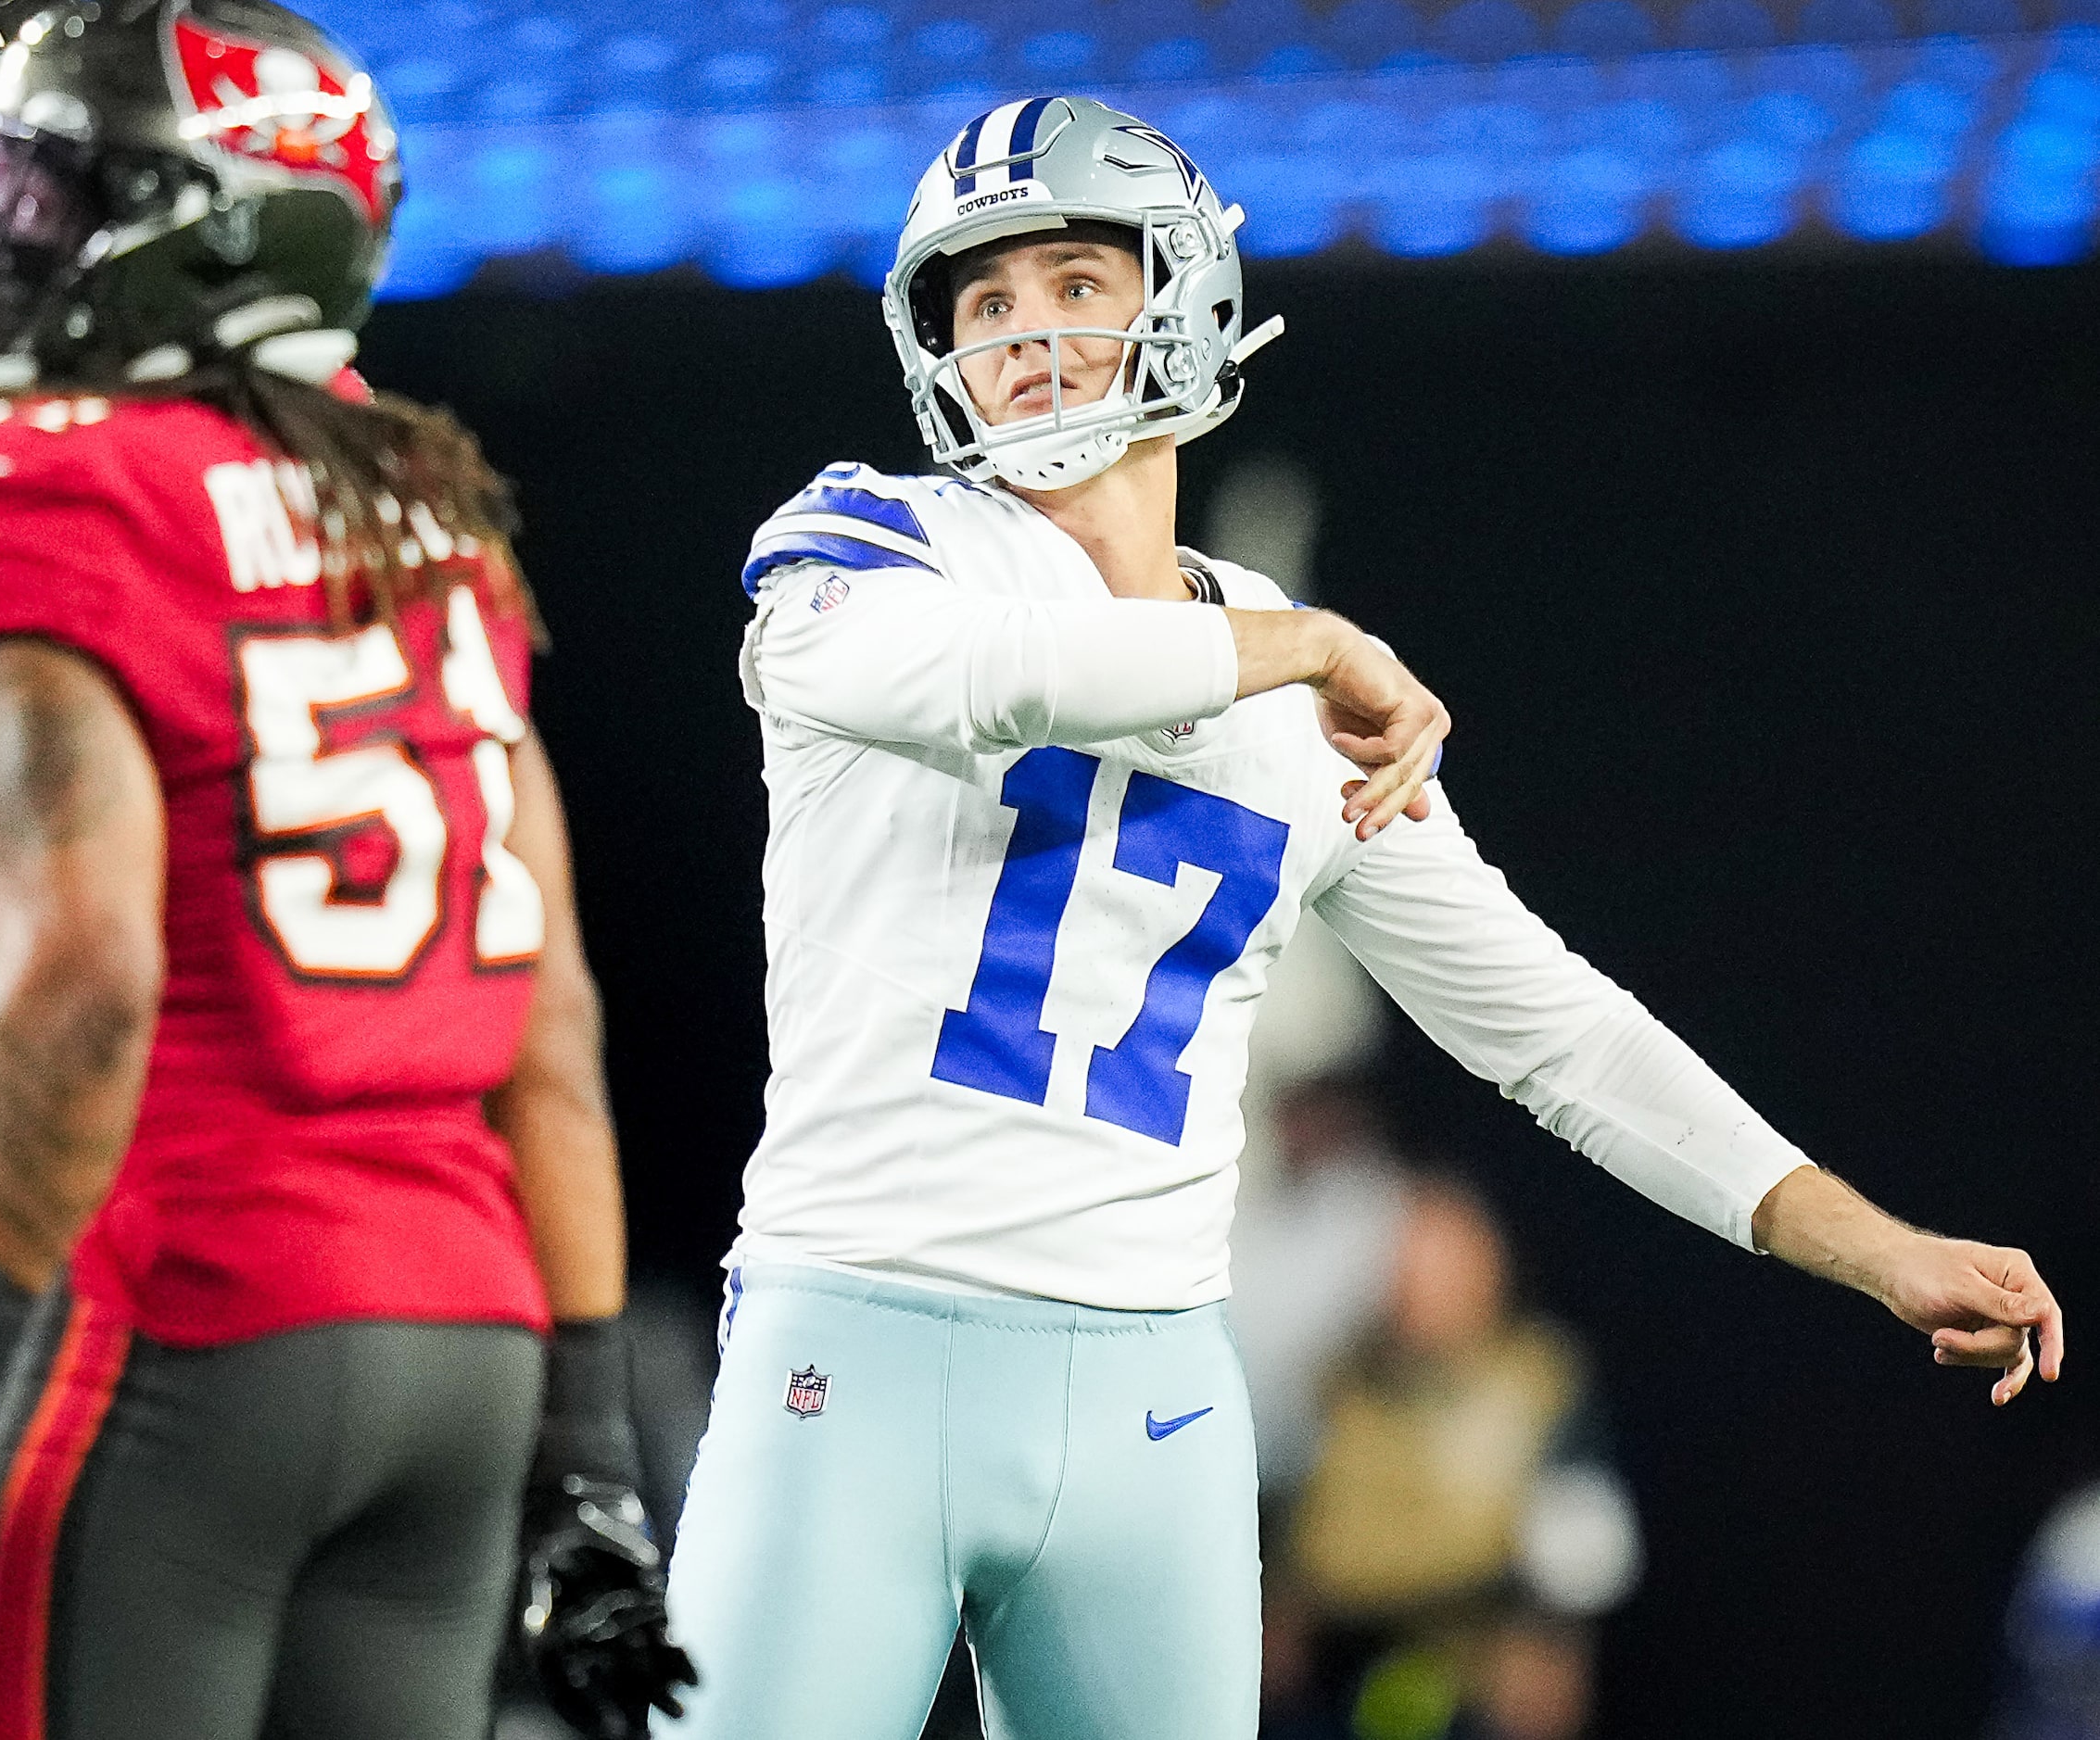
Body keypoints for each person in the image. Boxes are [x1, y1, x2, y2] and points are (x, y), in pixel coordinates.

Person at [658, 94, 2065, 1740]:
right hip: (857, 1352)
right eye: (984, 301)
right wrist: (1306, 646)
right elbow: (991, 674)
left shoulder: (1279, 668)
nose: (1028, 331)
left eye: (1069, 279)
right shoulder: (875, 543)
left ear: (1177, 292)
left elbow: (1542, 1024)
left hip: (1150, 1396)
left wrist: (1873, 1245)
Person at [0, 3, 693, 1736]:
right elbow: (549, 1019)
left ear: (206, 233)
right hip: (469, 1347)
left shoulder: (24, 488)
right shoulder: (417, 507)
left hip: (182, 1322)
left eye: (51, 196)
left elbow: (89, 983)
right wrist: (585, 1441)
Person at [1282, 1177, 1639, 1740]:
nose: (1417, 1287)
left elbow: (1586, 1553)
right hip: (1350, 1663)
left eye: (1439, 1267)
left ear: (1487, 1269)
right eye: (1405, 1266)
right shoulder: (1345, 1384)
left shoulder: (1539, 1380)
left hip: (1484, 1669)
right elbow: (1313, 1541)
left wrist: (1549, 1636)